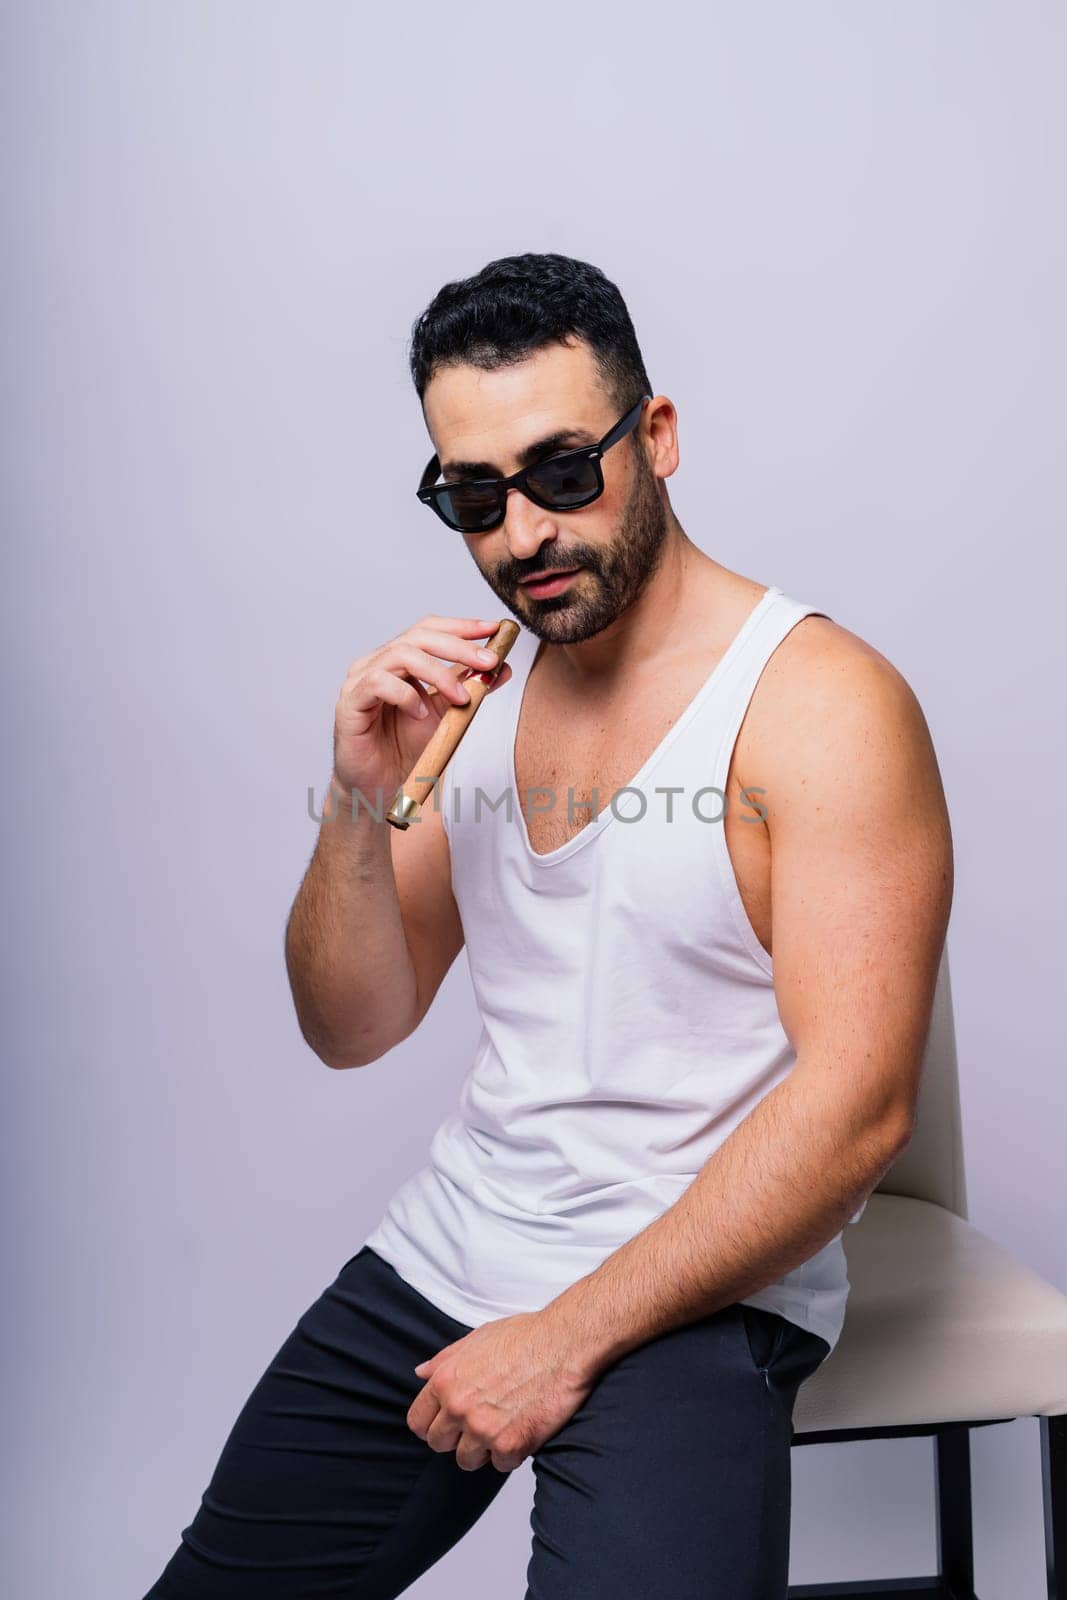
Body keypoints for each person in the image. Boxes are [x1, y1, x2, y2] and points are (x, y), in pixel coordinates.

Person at [143, 252, 953, 1598]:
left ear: (659, 438)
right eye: (476, 494)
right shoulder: (471, 701)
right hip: (457, 1246)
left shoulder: (822, 707)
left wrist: (563, 1336)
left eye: (562, 471)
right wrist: (358, 796)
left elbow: (859, 1113)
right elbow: (351, 1025)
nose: (526, 532)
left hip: (701, 1286)